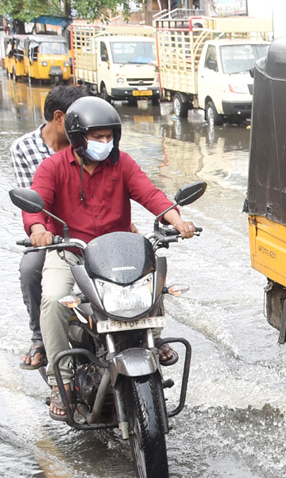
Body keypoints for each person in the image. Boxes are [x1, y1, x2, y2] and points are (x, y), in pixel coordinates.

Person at [22, 96, 195, 419]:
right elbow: (36, 206)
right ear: (77, 137)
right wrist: (37, 229)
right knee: (55, 299)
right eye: (96, 137)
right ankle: (62, 381)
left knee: (154, 275)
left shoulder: (123, 163)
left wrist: (177, 220)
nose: (104, 143)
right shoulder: (53, 167)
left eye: (108, 136)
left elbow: (150, 193)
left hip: (117, 249)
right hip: (71, 251)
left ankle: (151, 339)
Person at [9, 84, 85, 370]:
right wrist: (40, 230)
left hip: (88, 229)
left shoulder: (87, 142)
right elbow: (34, 202)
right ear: (59, 117)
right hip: (51, 231)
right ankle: (39, 336)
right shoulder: (24, 148)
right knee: (30, 269)